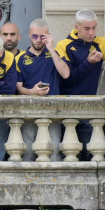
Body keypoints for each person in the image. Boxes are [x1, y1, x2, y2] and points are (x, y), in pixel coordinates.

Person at [16, 18, 70, 160]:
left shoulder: (56, 53)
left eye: (43, 36)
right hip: (28, 112)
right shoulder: (20, 58)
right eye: (35, 36)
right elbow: (18, 87)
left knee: (54, 152)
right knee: (28, 153)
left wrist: (51, 48)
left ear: (48, 36)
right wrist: (32, 92)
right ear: (29, 35)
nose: (38, 40)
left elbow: (65, 74)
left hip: (53, 112)